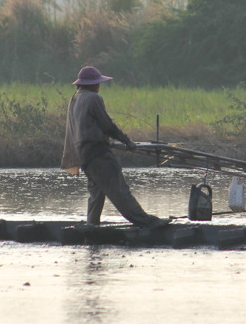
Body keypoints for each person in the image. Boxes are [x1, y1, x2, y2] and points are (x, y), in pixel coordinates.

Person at [61, 66, 171, 229]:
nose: (99, 86)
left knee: (96, 193)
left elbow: (89, 126)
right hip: (99, 154)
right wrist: (126, 141)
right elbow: (107, 125)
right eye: (97, 83)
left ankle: (92, 225)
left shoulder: (75, 98)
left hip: (85, 155)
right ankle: (146, 222)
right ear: (91, 84)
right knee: (119, 190)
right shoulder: (93, 98)